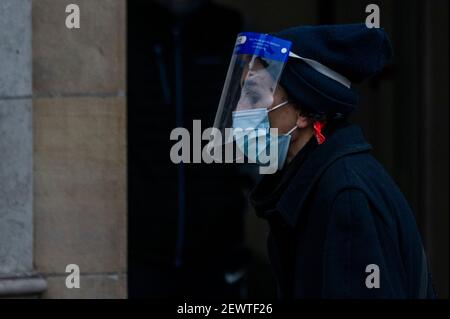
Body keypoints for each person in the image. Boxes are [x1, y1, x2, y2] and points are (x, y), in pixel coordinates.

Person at [213, 24, 436, 298]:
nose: (241, 112)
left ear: (304, 111)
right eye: (243, 96)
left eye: (256, 96)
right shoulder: (306, 182)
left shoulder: (346, 197)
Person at [128, 0, 250, 298]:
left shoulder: (231, 28)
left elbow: (258, 122)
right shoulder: (126, 25)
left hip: (217, 249)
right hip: (138, 252)